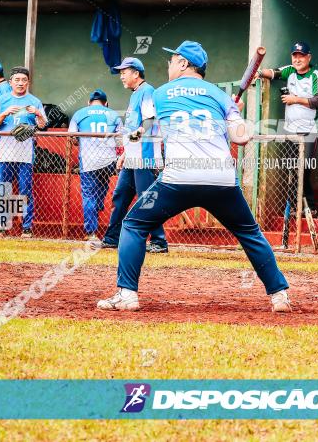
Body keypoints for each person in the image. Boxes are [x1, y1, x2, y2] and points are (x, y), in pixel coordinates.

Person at [97, 40, 291, 312]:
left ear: (184, 64)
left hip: (178, 180)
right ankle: (279, 296)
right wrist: (233, 114)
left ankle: (127, 294)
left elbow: (146, 127)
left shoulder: (160, 93)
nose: (169, 65)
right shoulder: (220, 95)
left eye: (172, 60)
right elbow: (242, 137)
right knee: (250, 233)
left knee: (133, 225)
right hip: (221, 180)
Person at [101, 57, 169, 254]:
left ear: (136, 74)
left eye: (124, 72)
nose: (121, 76)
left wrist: (139, 133)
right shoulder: (134, 95)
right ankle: (112, 238)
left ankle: (159, 241)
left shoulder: (147, 91)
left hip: (145, 156)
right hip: (132, 158)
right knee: (120, 197)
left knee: (147, 199)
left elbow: (149, 120)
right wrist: (124, 154)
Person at [258, 41, 318, 210]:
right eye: (295, 56)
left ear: (308, 57)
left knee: (304, 169)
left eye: (301, 56)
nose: (297, 59)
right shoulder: (290, 71)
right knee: (292, 169)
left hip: (309, 130)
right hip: (290, 130)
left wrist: (295, 99)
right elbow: (273, 73)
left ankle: (309, 206)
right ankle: (294, 206)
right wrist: (258, 73)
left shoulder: (316, 75)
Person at [0, 67, 47, 238]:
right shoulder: (2, 100)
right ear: (10, 82)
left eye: (24, 80)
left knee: (25, 190)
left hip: (25, 153)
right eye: (17, 80)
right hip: (5, 152)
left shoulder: (34, 101)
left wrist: (37, 114)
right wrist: (5, 112)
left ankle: (26, 228)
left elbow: (43, 127)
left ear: (28, 82)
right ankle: (1, 227)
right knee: (3, 190)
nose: (20, 83)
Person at [69, 89, 122, 243]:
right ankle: (98, 207)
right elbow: (120, 141)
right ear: (106, 103)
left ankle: (91, 232)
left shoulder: (80, 113)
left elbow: (72, 137)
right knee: (102, 187)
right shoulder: (113, 114)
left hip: (88, 161)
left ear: (89, 102)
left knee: (88, 195)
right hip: (108, 160)